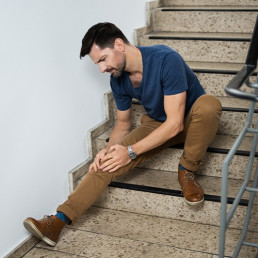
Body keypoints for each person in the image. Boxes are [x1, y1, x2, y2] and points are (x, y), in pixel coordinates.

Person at [23, 22, 222, 246]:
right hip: (157, 124)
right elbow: (123, 124)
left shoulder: (166, 59)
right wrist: (107, 151)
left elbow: (175, 124)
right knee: (106, 162)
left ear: (119, 45)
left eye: (102, 59)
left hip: (190, 121)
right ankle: (57, 222)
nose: (101, 69)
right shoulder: (118, 79)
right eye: (97, 63)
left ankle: (186, 170)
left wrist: (130, 152)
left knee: (209, 105)